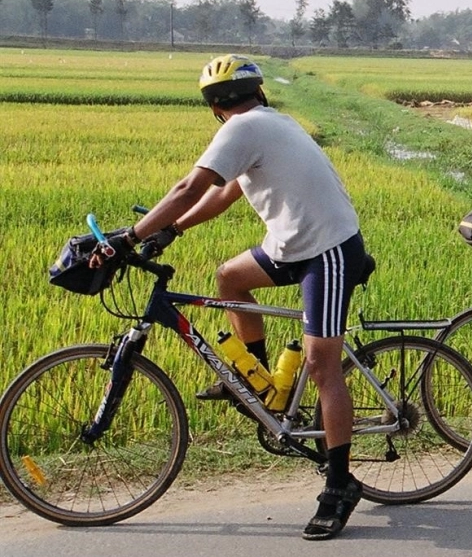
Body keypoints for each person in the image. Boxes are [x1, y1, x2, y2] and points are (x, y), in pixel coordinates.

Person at [93, 55, 368, 540]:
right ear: (255, 91)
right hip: (290, 243)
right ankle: (258, 384)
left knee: (322, 367)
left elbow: (189, 186)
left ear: (215, 107)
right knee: (229, 278)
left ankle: (340, 484)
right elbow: (224, 193)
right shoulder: (266, 122)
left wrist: (129, 237)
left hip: (327, 250)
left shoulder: (242, 128)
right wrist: (172, 230)